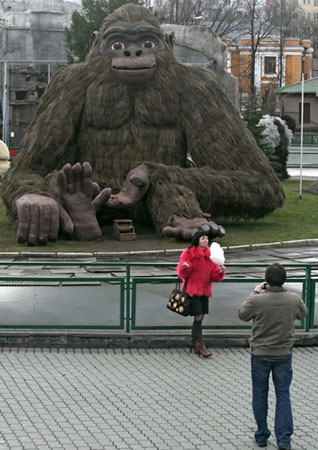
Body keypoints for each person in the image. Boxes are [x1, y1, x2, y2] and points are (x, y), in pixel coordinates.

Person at [238, 263, 307, 450]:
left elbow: (242, 314)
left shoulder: (257, 300)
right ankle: (284, 439)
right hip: (284, 352)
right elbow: (303, 314)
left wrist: (255, 292)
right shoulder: (293, 299)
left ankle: (261, 435)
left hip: (260, 353)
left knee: (260, 394)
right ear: (284, 279)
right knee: (283, 394)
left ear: (266, 280)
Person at [177, 230, 226, 357]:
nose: (205, 240)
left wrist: (220, 271)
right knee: (198, 315)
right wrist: (186, 267)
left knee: (201, 316)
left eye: (206, 238)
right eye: (203, 238)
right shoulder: (189, 253)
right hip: (192, 290)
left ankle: (194, 341)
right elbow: (181, 272)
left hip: (205, 290)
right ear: (197, 240)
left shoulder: (211, 254)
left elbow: (214, 276)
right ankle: (200, 345)